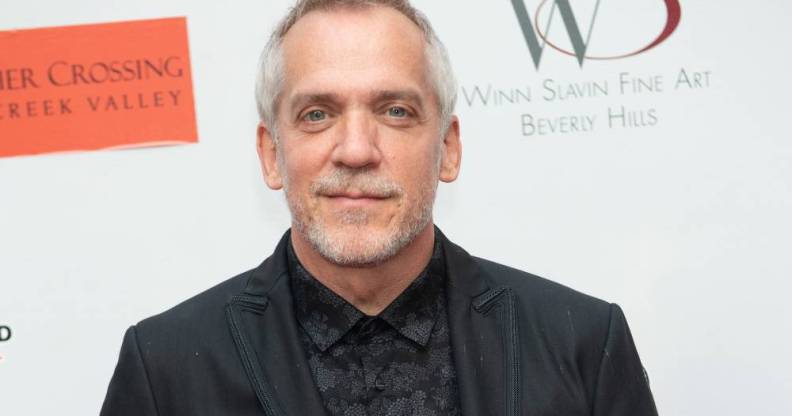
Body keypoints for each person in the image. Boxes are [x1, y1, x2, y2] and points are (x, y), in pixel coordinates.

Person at [100, 1, 658, 415]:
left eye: (394, 111)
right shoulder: (164, 368)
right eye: (317, 114)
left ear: (447, 147)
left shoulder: (583, 342)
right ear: (272, 155)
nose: (357, 151)